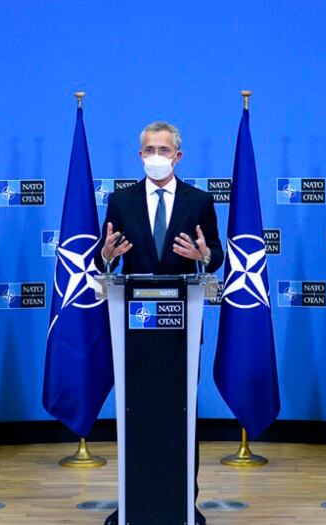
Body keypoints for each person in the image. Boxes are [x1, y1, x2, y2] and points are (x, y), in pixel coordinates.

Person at [96, 121, 223, 525]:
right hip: (133, 330)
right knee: (137, 410)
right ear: (140, 156)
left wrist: (205, 255)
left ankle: (185, 500)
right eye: (149, 149)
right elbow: (107, 256)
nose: (156, 156)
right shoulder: (121, 200)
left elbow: (214, 255)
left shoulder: (199, 201)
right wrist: (106, 256)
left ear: (178, 156)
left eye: (163, 150)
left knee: (182, 411)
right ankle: (135, 497)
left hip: (182, 327)